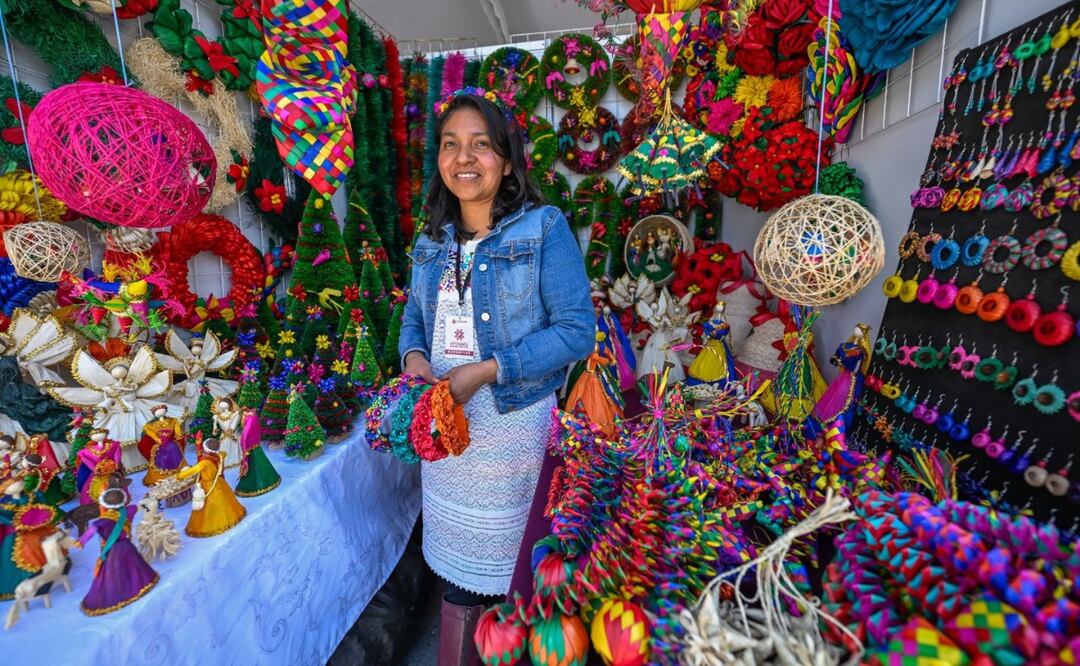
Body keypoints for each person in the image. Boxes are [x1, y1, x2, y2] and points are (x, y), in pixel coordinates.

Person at [398, 89, 594, 665]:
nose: (465, 158)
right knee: (458, 576)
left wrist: (487, 371)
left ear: (507, 159)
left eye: (481, 145)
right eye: (452, 145)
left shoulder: (542, 229)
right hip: (447, 434)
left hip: (513, 429)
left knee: (514, 574)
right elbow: (414, 315)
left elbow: (576, 330)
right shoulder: (430, 240)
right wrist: (414, 361)